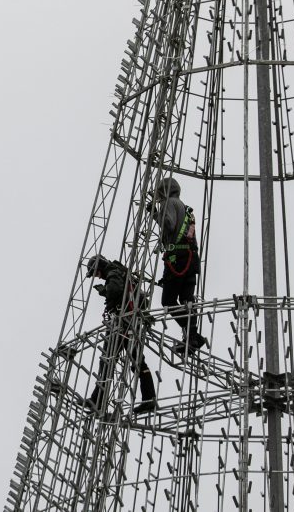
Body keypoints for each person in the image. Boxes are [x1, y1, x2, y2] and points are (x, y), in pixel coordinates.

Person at [84, 255, 157, 416]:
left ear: (100, 266)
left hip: (122, 324)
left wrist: (105, 292)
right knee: (134, 361)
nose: (97, 276)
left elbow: (116, 291)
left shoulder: (112, 272)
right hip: (129, 322)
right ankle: (149, 398)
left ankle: (98, 400)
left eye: (96, 272)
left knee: (108, 359)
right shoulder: (118, 271)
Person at [147, 177, 207, 354]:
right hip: (191, 259)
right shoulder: (187, 210)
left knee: (168, 301)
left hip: (177, 259)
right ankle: (192, 337)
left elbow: (169, 224)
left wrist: (155, 213)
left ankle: (192, 333)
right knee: (187, 299)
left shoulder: (168, 203)